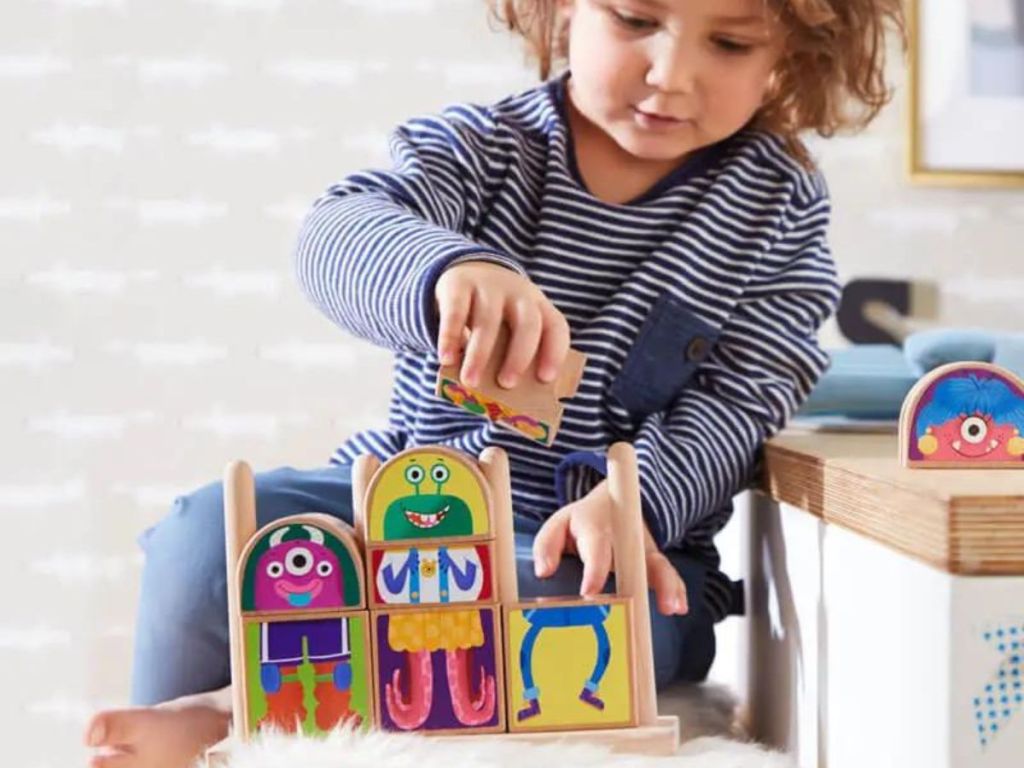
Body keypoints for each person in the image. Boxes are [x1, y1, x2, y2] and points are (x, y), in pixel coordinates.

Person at [84, 1, 905, 765]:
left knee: (559, 614)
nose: (672, 73)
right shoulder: (482, 149)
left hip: (599, 548)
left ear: (790, 50)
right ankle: (181, 721)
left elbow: (742, 397)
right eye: (634, 18)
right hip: (401, 500)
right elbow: (335, 232)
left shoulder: (776, 207)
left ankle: (237, 715)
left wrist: (636, 499)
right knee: (204, 538)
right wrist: (446, 269)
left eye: (729, 43)